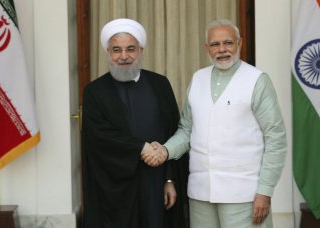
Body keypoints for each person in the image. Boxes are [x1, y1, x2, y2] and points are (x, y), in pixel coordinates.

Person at [143, 19, 287, 228]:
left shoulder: (257, 80)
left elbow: (276, 138)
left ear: (239, 43)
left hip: (243, 194)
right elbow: (186, 131)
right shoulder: (198, 79)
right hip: (201, 194)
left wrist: (265, 190)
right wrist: (165, 150)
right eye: (215, 44)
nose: (222, 50)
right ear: (207, 48)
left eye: (228, 43)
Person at [81, 18, 189, 228]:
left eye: (130, 49)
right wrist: (140, 148)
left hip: (156, 179)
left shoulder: (160, 84)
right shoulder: (95, 91)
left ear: (141, 50)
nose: (124, 56)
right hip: (115, 185)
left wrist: (169, 179)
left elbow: (172, 131)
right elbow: (99, 138)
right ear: (108, 53)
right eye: (116, 50)